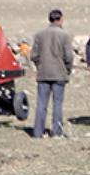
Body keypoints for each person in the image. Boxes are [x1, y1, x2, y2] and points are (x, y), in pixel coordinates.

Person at [31, 8, 74, 138]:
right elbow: (69, 56)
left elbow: (34, 55)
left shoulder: (39, 35)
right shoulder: (64, 35)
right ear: (61, 19)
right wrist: (67, 69)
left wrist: (40, 65)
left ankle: (37, 132)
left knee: (41, 104)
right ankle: (57, 131)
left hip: (43, 73)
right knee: (57, 103)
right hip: (59, 73)